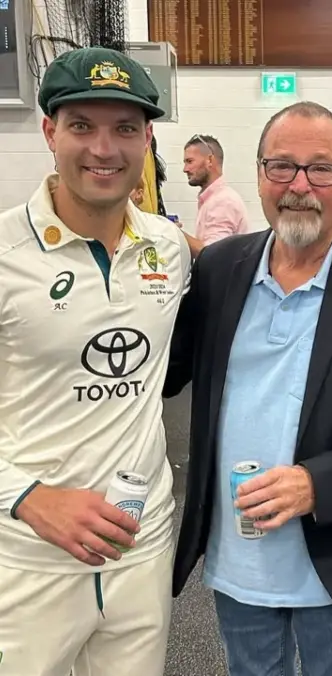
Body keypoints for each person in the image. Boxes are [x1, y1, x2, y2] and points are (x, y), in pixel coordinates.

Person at [164, 101, 332, 676]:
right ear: (259, 172)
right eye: (282, 166)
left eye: (321, 169)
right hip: (237, 555)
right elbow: (160, 376)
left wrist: (319, 482)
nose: (299, 186)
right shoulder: (219, 268)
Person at [0, 46, 191, 675]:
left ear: (147, 140)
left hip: (142, 545)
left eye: (125, 129)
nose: (104, 149)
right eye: (82, 125)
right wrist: (27, 497)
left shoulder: (167, 246)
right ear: (49, 131)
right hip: (26, 554)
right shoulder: (5, 253)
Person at [180, 133, 252, 257]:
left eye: (190, 161)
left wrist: (174, 232)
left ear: (209, 160)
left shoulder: (223, 201)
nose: (185, 169)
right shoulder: (213, 199)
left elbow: (212, 254)